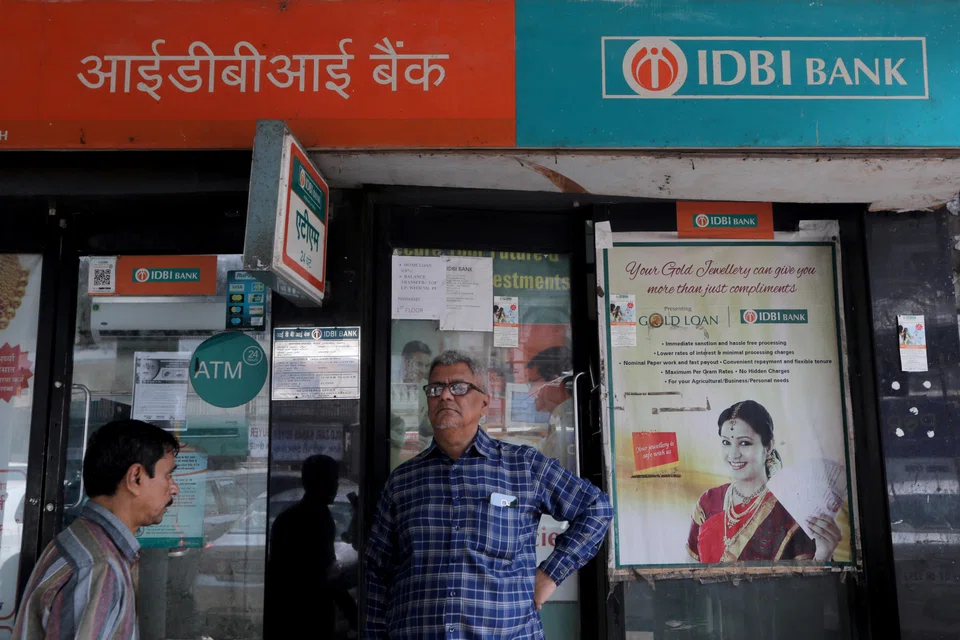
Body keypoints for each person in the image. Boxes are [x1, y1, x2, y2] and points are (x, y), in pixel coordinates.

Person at [365, 350, 613, 639]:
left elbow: (596, 508)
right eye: (435, 389)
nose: (445, 396)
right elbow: (376, 571)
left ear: (484, 402)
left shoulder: (524, 466)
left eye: (458, 387)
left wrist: (550, 575)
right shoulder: (403, 482)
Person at [14, 420, 180, 639]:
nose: (174, 488)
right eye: (168, 475)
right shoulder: (98, 565)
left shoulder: (82, 542)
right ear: (135, 478)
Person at [687, 400, 842, 564]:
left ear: (768, 447)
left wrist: (823, 555)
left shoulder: (793, 506)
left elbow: (805, 584)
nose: (733, 454)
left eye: (744, 443)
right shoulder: (708, 501)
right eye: (726, 442)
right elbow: (689, 572)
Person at [267, 454, 357, 638]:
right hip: (307, 616)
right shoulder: (316, 519)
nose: (335, 485)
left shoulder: (291, 517)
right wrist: (353, 613)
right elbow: (323, 574)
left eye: (335, 480)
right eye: (331, 480)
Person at [525, 345, 575, 472]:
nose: (530, 392)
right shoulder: (560, 416)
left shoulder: (569, 423)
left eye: (532, 383)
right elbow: (547, 449)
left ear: (555, 382)